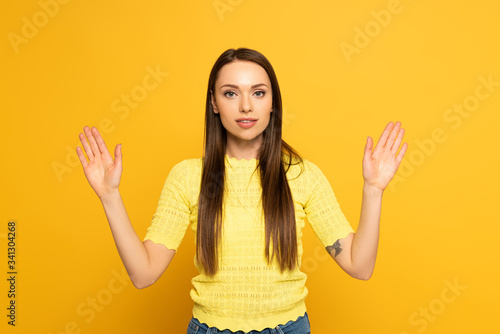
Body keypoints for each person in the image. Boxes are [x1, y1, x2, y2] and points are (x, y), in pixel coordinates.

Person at [76, 47, 408, 334]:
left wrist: (373, 190)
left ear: (273, 103)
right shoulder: (187, 177)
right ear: (215, 103)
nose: (246, 106)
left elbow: (359, 266)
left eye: (259, 93)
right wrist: (110, 197)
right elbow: (143, 274)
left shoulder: (302, 175)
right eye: (231, 93)